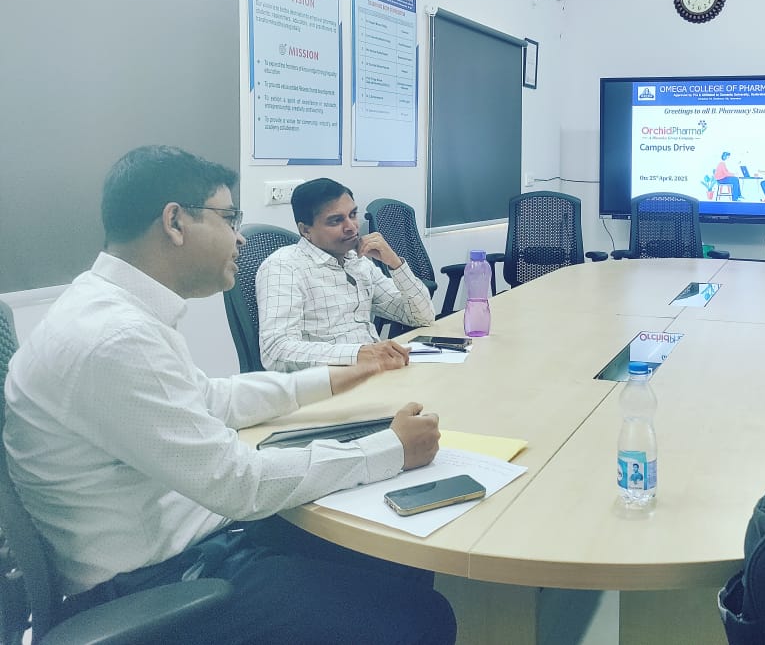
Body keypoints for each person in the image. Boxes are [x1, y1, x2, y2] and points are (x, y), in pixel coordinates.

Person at [3, 146, 454, 644]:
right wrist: (389, 449)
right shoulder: (113, 338)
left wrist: (334, 376)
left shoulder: (111, 310)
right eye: (228, 218)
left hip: (189, 542)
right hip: (159, 586)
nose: (240, 237)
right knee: (421, 614)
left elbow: (212, 399)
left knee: (398, 556)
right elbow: (240, 484)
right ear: (175, 222)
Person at [257, 178, 436, 372]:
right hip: (329, 381)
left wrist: (395, 263)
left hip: (373, 371)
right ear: (306, 230)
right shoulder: (284, 267)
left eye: (352, 215)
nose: (351, 227)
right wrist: (359, 354)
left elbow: (421, 317)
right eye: (336, 220)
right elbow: (276, 350)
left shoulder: (357, 261)